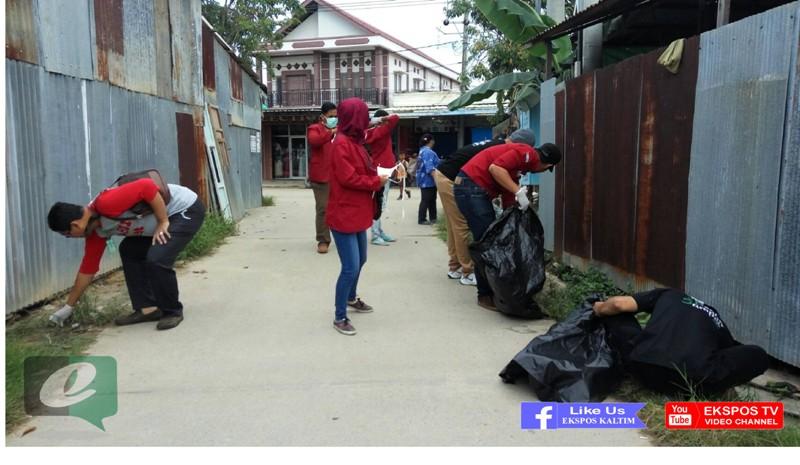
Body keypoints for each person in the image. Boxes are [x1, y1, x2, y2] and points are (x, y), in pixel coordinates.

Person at [46, 177, 205, 330]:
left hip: (184, 210)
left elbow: (147, 186)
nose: (69, 238)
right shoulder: (95, 232)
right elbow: (87, 270)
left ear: (75, 225)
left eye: (67, 234)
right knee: (129, 250)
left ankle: (172, 311)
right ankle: (148, 309)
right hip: (164, 220)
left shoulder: (105, 203)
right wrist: (68, 307)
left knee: (157, 258)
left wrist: (163, 221)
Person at [593, 289, 769, 396]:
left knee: (616, 315)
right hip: (695, 381)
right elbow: (729, 354)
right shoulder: (713, 316)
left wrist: (598, 308)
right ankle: (715, 394)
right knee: (759, 354)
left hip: (643, 368)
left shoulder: (668, 294)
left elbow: (618, 305)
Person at [454, 135, 561, 311]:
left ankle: (491, 291)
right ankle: (485, 295)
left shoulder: (520, 166)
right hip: (471, 187)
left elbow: (507, 194)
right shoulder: (527, 154)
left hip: (470, 188)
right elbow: (496, 169)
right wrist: (518, 191)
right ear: (548, 166)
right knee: (487, 242)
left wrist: (515, 212)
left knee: (490, 238)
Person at [325, 97, 390, 336]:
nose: (365, 119)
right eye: (363, 115)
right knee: (350, 267)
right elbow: (348, 178)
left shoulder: (355, 140)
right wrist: (376, 181)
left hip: (357, 211)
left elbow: (384, 124)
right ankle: (339, 316)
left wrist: (381, 173)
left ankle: (351, 298)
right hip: (344, 212)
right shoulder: (341, 143)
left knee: (361, 260)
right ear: (355, 118)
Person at [433, 131, 530, 286]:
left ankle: (455, 267)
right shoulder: (504, 150)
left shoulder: (497, 144)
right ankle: (468, 272)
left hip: (445, 173)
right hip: (450, 178)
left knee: (455, 225)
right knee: (462, 225)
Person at [365, 109, 400, 246]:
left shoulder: (370, 132)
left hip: (382, 169)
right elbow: (395, 117)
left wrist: (374, 121)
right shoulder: (381, 130)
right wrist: (381, 120)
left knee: (380, 203)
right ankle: (375, 235)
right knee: (379, 204)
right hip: (382, 170)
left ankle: (379, 231)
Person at [307, 102, 337, 254]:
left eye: (336, 116)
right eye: (331, 116)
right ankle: (323, 240)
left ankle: (341, 236)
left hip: (337, 176)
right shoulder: (314, 129)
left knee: (339, 208)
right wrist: (330, 132)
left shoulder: (339, 131)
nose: (334, 118)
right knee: (323, 208)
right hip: (320, 176)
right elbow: (314, 141)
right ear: (323, 116)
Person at [416, 134, 440, 225]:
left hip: (424, 179)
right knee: (426, 199)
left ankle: (433, 218)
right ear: (431, 141)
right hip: (428, 179)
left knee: (431, 199)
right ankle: (422, 219)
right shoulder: (428, 152)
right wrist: (436, 179)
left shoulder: (422, 151)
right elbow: (429, 168)